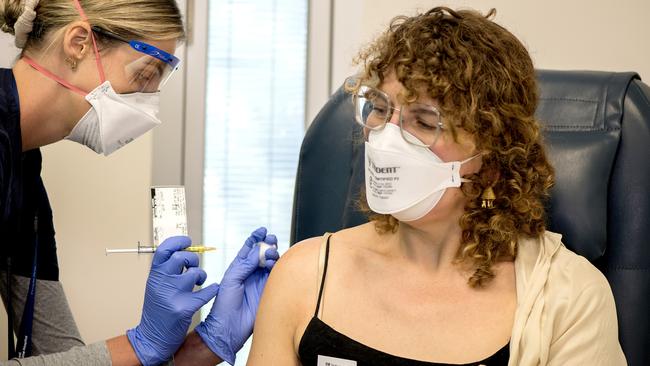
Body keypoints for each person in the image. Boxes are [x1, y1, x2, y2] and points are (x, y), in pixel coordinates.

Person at [248, 6, 627, 366]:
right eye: (380, 109)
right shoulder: (304, 275)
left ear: (492, 159)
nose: (386, 137)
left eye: (425, 122)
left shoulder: (568, 298)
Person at [0, 0, 279, 365]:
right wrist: (141, 344)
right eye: (147, 73)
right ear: (79, 43)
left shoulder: (22, 170)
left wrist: (205, 346)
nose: (149, 102)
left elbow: (58, 353)